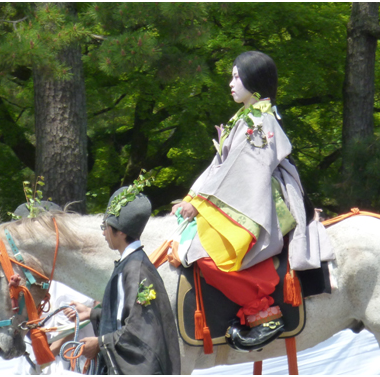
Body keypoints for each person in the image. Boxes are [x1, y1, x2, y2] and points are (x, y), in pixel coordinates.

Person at [170, 51, 327, 351]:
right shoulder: (245, 117)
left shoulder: (258, 118)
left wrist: (200, 204)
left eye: (236, 76)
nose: (231, 82)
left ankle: (261, 310)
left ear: (253, 80)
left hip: (259, 202)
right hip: (242, 196)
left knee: (206, 254)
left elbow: (241, 170)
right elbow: (220, 167)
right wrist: (193, 197)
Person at [71, 189, 180, 375]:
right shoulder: (131, 264)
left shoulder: (136, 269)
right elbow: (125, 316)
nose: (104, 233)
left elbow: (140, 329)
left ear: (120, 232)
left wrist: (100, 343)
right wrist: (93, 313)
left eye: (105, 227)